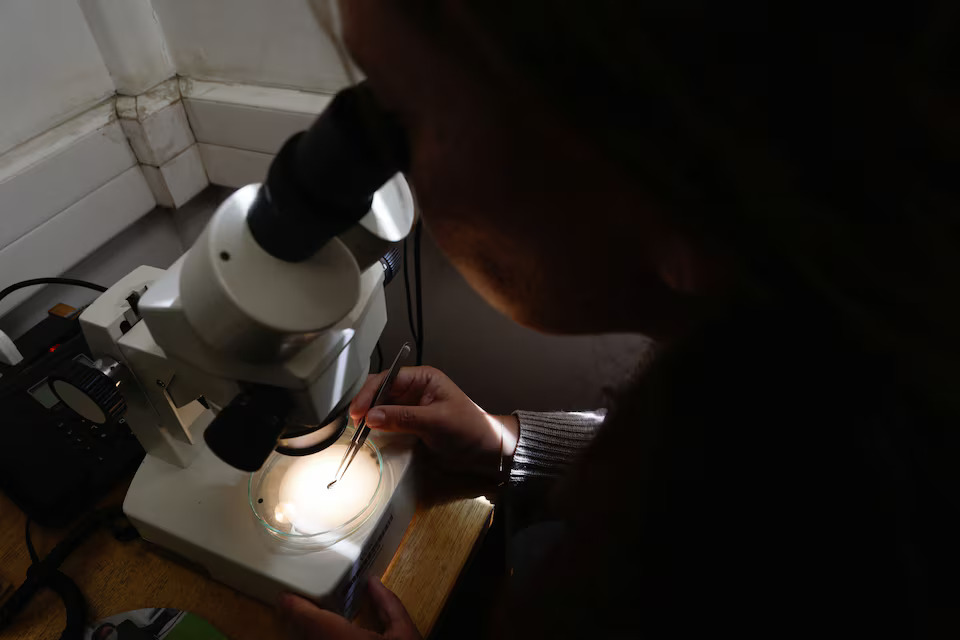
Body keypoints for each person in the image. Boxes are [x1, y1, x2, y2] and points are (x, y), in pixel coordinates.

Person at [280, 1, 960, 638]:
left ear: (677, 183)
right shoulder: (831, 358)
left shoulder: (803, 566)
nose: (365, 156)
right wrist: (511, 442)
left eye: (405, 113)